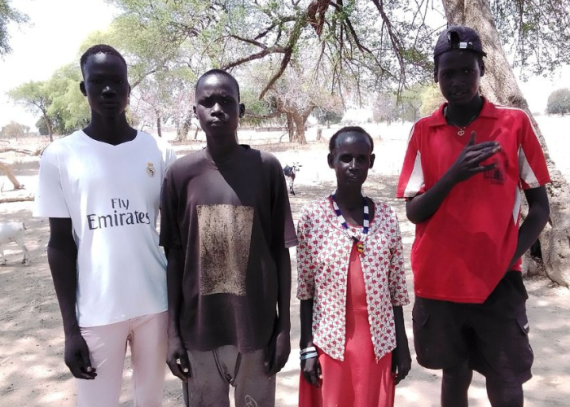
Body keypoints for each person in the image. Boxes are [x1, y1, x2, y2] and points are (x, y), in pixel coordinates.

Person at [397, 26, 551, 407]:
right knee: (455, 372)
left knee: (506, 378)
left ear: (482, 69)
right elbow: (414, 211)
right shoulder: (423, 131)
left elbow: (540, 207)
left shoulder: (513, 124)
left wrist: (507, 256)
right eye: (448, 73)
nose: (458, 81)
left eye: (467, 70)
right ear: (436, 75)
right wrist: (453, 175)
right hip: (440, 281)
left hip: (498, 282)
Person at [34, 44, 176, 407]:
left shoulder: (158, 151)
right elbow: (60, 245)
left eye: (117, 82)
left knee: (150, 401)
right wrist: (70, 330)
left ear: (129, 88)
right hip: (97, 311)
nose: (109, 90)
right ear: (84, 87)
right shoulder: (60, 156)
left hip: (155, 305)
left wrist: (179, 315)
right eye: (97, 82)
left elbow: (176, 237)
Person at [159, 69, 297, 407]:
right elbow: (175, 259)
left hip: (256, 329)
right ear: (195, 111)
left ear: (241, 110)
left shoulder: (266, 168)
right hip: (199, 331)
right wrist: (172, 333)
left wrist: (283, 329)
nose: (217, 109)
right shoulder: (180, 175)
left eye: (226, 101)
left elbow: (280, 253)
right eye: (207, 102)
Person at [297, 126, 411, 407]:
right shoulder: (312, 216)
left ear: (371, 162)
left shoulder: (386, 217)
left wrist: (402, 346)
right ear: (331, 161)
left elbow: (396, 291)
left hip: (378, 342)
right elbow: (306, 291)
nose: (354, 165)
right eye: (345, 157)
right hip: (329, 339)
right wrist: (307, 348)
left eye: (362, 158)